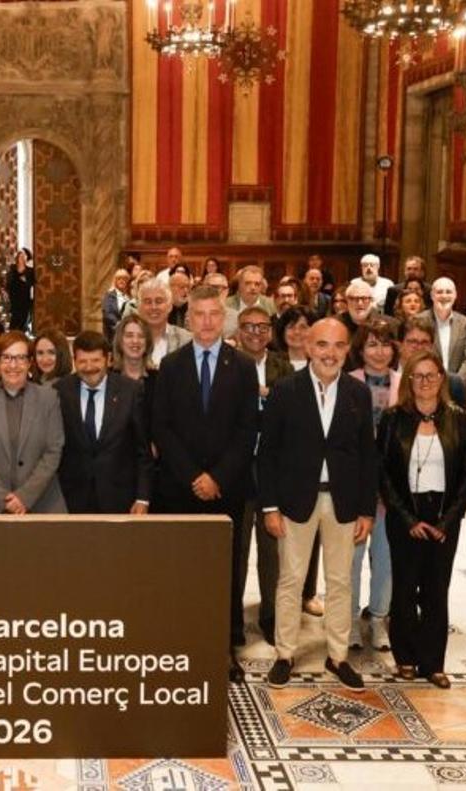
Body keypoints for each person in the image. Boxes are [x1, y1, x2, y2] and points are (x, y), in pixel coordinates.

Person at [262, 318, 377, 691]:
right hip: (295, 500)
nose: (330, 353)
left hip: (343, 501)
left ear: (348, 350)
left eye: (339, 346)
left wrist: (366, 510)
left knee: (340, 581)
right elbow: (269, 453)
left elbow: (366, 456)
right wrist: (269, 507)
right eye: (323, 345)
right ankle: (285, 654)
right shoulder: (285, 390)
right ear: (309, 347)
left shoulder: (358, 393)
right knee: (291, 580)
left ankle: (338, 655)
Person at [152, 285, 259, 683]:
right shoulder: (171, 365)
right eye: (200, 314)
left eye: (215, 314)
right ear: (189, 318)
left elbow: (248, 430)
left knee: (226, 571)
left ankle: (225, 645)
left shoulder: (244, 366)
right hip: (180, 489)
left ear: (224, 317)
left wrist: (217, 477)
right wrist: (194, 476)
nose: (208, 321)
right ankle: (182, 642)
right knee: (182, 570)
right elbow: (161, 427)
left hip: (227, 489)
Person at [378, 349, 466, 688]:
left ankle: (433, 662)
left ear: (441, 380)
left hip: (443, 516)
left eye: (431, 375)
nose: (424, 382)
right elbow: (383, 475)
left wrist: (448, 521)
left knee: (437, 590)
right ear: (408, 381)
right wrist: (407, 519)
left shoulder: (458, 418)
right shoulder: (392, 419)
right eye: (417, 376)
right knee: (404, 589)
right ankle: (404, 657)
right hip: (405, 515)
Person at [236, 306, 310, 645]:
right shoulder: (227, 363)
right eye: (248, 327)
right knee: (236, 548)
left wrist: (269, 396)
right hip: (236, 468)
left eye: (262, 327)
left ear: (270, 331)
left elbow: (293, 413)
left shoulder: (284, 367)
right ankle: (231, 617)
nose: (255, 332)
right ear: (238, 330)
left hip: (275, 469)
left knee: (272, 550)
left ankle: (270, 616)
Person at [0, 331, 66, 514]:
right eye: (7, 358)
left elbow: (53, 450)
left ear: (29, 363)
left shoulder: (49, 398)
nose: (13, 365)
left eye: (20, 358)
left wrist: (25, 497)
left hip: (43, 505)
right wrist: (5, 499)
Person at [55, 331, 152, 514]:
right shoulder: (60, 391)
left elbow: (142, 452)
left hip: (120, 499)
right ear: (74, 361)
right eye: (83, 361)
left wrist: (142, 497)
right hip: (72, 499)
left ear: (108, 359)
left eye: (95, 360)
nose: (89, 367)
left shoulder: (130, 391)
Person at [347, 320, 400, 651]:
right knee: (350, 560)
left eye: (385, 344)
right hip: (354, 487)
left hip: (392, 488)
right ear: (360, 349)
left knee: (386, 559)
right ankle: (349, 620)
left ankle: (379, 618)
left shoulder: (404, 383)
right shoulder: (347, 383)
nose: (379, 351)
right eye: (371, 344)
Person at [400, 316, 466, 410]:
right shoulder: (389, 379)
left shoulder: (452, 384)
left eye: (424, 342)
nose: (419, 347)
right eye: (412, 342)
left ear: (432, 346)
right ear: (400, 344)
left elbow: (462, 422)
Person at [428, 277, 466, 382]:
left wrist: (456, 383)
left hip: (456, 388)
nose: (444, 296)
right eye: (439, 292)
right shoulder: (419, 321)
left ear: (455, 295)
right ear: (432, 296)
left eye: (448, 292)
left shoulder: (465, 323)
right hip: (427, 385)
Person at [137, 279, 192, 367]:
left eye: (159, 301)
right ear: (139, 308)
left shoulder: (187, 340)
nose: (153, 307)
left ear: (170, 306)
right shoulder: (127, 341)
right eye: (147, 302)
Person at [5, 249, 35, 332]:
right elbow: (9, 282)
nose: (22, 258)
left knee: (24, 318)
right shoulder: (13, 269)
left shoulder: (30, 271)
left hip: (25, 297)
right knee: (15, 318)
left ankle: (22, 334)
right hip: (14, 297)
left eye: (24, 256)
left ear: (26, 258)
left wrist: (26, 281)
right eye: (20, 256)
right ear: (17, 258)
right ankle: (12, 334)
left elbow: (33, 283)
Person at [102, 268, 131, 340]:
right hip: (113, 333)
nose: (122, 281)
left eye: (124, 279)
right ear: (115, 281)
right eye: (119, 279)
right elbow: (107, 313)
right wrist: (119, 324)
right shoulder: (110, 295)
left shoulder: (129, 297)